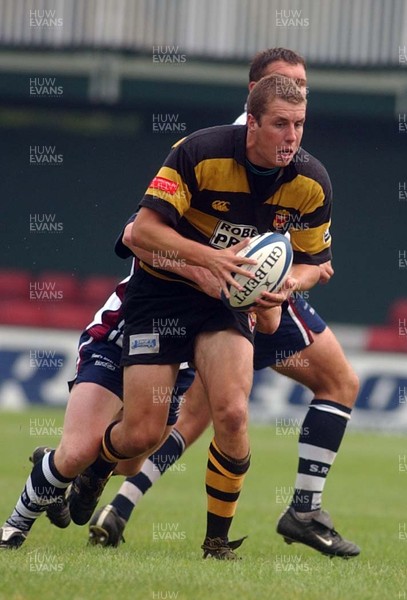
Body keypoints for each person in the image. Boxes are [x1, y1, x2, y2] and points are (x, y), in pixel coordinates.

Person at [87, 49, 360, 559]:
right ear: (252, 101)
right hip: (194, 288)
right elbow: (139, 231)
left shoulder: (302, 166)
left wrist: (290, 283)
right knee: (177, 420)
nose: (294, 116)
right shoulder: (214, 148)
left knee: (232, 409)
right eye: (282, 90)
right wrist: (212, 264)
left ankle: (283, 515)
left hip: (256, 289)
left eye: (302, 95)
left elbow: (315, 260)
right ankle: (112, 490)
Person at [0, 261, 195, 549]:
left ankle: (58, 468)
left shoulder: (252, 234)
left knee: (130, 463)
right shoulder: (178, 220)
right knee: (78, 452)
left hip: (177, 361)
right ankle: (14, 527)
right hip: (119, 340)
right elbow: (135, 235)